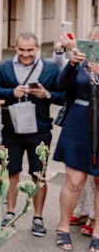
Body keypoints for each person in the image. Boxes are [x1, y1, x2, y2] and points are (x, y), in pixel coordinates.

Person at [0, 32, 64, 237]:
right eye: (21, 50)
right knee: (10, 172)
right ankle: (10, 213)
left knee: (38, 174)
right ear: (15, 46)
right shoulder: (4, 67)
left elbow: (63, 96)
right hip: (11, 128)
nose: (26, 54)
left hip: (39, 129)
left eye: (30, 50)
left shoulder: (50, 69)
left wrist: (46, 94)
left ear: (37, 48)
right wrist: (11, 92)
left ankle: (37, 217)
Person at [53, 26, 99, 252]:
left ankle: (98, 231)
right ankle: (63, 227)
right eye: (93, 40)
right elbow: (61, 86)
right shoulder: (79, 60)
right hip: (78, 122)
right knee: (74, 181)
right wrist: (72, 63)